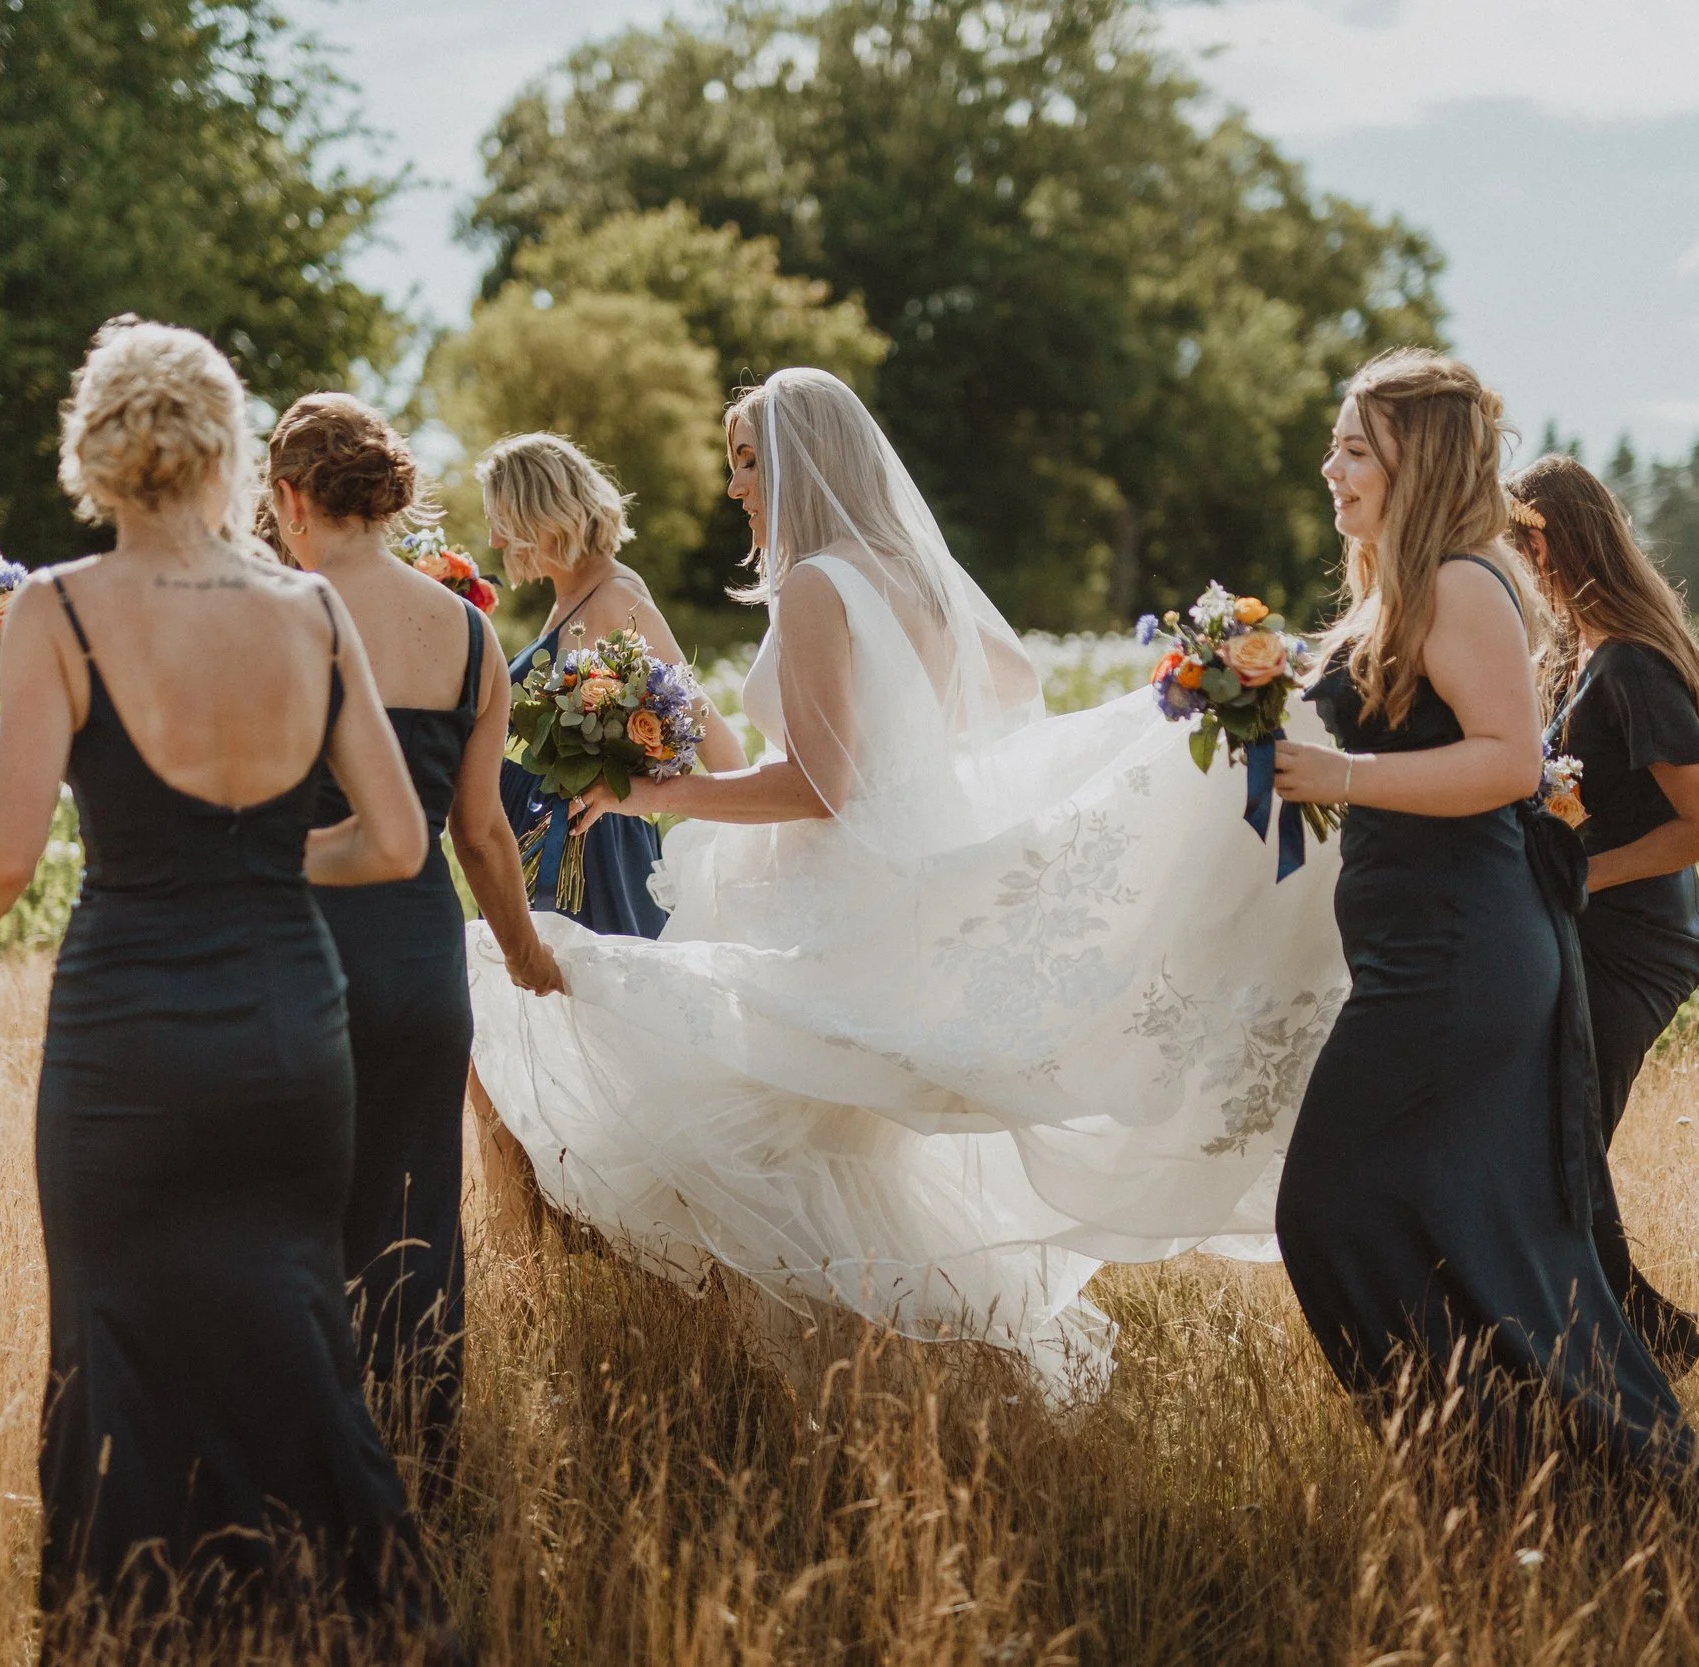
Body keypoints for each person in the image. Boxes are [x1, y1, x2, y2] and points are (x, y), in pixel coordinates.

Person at [464, 368, 1350, 1400]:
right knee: (828, 1144)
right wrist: (918, 774)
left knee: (738, 1122)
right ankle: (880, 1388)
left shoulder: (811, 584)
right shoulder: (914, 576)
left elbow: (821, 786)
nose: (735, 486)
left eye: (748, 461)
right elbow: (1009, 682)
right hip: (897, 891)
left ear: (804, 461)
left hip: (830, 902)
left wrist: (652, 792)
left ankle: (829, 1391)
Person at [0, 319, 451, 1650]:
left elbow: (12, 845)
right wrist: (256, 865)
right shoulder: (309, 609)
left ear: (95, 445)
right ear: (225, 445)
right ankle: (362, 1619)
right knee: (298, 1320)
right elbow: (393, 840)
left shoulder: (61, 609)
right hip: (289, 1032)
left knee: (115, 1332)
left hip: (125, 1040)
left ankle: (131, 1627)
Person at [1270, 349, 1699, 1512]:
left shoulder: (1461, 581)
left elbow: (1498, 763)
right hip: (1420, 947)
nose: (1329, 465)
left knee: (1332, 1207)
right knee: (1461, 1227)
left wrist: (1339, 769)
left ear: (1413, 459)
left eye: (1352, 447)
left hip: (1455, 953)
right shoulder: (1407, 584)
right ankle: (1539, 1479)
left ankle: (1544, 1472)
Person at [261, 392, 566, 1485]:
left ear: (291, 498)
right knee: (413, 1214)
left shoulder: (269, 613)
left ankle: (296, 1466)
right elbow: (481, 833)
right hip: (419, 962)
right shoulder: (470, 631)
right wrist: (526, 953)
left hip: (291, 954)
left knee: (285, 1210)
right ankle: (418, 1466)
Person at [1506, 453, 1699, 1375]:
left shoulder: (1635, 667)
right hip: (1589, 935)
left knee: (1560, 1149)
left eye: (1518, 550)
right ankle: (1632, 1334)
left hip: (1636, 945)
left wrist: (1582, 877)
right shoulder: (1581, 655)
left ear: (1550, 544)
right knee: (1555, 1144)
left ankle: (1631, 1349)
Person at [480, 432, 749, 936]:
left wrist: (748, 859)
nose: (495, 541)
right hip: (546, 839)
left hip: (595, 858)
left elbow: (709, 732)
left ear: (542, 513)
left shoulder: (613, 595)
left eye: (502, 523)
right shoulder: (570, 596)